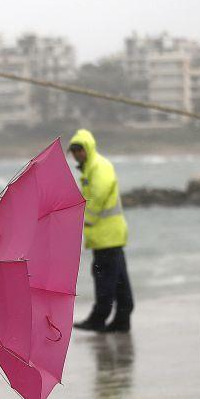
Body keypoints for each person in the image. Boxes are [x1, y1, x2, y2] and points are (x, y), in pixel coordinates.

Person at [68, 129, 133, 333]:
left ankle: (99, 318)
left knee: (104, 278)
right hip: (107, 236)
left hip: (107, 236)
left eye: (80, 149)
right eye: (74, 150)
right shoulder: (90, 169)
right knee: (119, 281)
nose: (77, 153)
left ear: (88, 148)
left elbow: (99, 194)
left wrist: (85, 220)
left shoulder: (98, 167)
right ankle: (122, 319)